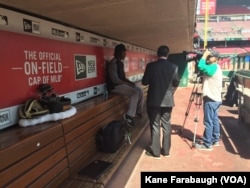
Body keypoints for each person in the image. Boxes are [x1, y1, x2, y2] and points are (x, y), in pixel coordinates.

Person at [141, 45, 180, 159]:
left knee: (155, 125)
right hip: (168, 101)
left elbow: (144, 82)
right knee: (167, 125)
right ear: (168, 54)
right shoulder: (174, 66)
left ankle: (156, 152)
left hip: (153, 101)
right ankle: (166, 151)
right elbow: (176, 83)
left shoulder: (151, 66)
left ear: (157, 54)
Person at [106, 43, 144, 127]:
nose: (125, 54)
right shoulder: (113, 63)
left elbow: (123, 78)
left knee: (139, 90)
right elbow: (115, 80)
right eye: (124, 52)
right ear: (119, 52)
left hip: (121, 85)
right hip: (114, 87)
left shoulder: (120, 63)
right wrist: (128, 84)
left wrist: (130, 83)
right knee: (135, 93)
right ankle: (129, 116)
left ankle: (138, 112)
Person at [195, 49, 222, 151]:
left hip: (211, 99)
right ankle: (215, 140)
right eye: (208, 56)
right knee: (214, 120)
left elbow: (201, 66)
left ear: (216, 59)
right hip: (216, 99)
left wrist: (203, 56)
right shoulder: (215, 67)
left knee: (208, 122)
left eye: (210, 56)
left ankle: (207, 144)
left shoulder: (213, 67)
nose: (208, 58)